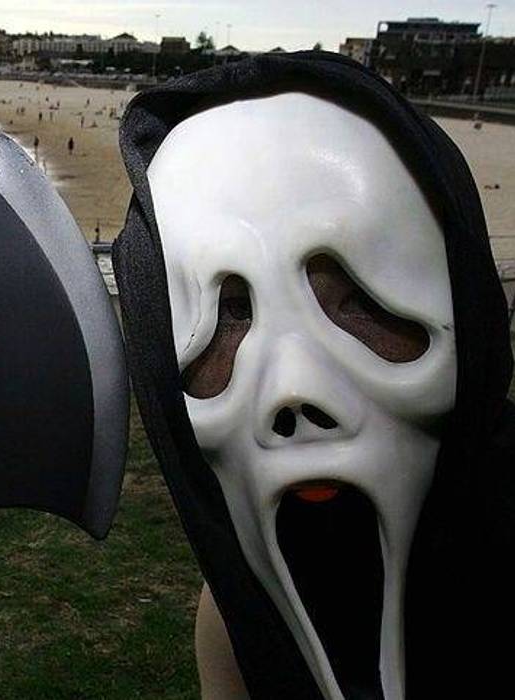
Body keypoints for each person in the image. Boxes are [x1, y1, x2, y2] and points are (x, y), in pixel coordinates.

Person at [113, 53, 515, 700]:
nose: (292, 393)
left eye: (358, 298)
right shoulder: (231, 620)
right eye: (229, 313)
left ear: (465, 315)